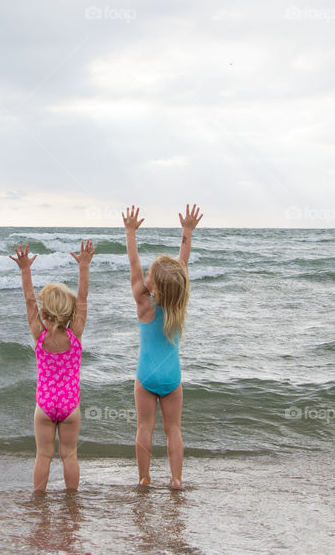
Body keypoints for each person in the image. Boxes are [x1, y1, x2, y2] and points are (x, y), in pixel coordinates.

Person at [122, 204, 202, 489]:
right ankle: (176, 479)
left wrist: (130, 232)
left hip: (145, 376)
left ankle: (144, 479)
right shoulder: (178, 305)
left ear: (153, 288)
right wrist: (187, 231)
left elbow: (133, 263)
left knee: (145, 428)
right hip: (172, 377)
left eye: (149, 276)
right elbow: (182, 265)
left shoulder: (144, 305)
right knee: (174, 430)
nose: (144, 275)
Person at [10, 239, 96, 491]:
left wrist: (25, 270)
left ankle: (39, 499)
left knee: (43, 455)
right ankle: (72, 501)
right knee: (69, 455)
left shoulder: (40, 335)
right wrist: (84, 266)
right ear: (70, 315)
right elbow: (83, 298)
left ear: (44, 315)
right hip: (70, 405)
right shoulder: (75, 335)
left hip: (45, 405)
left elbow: (29, 303)